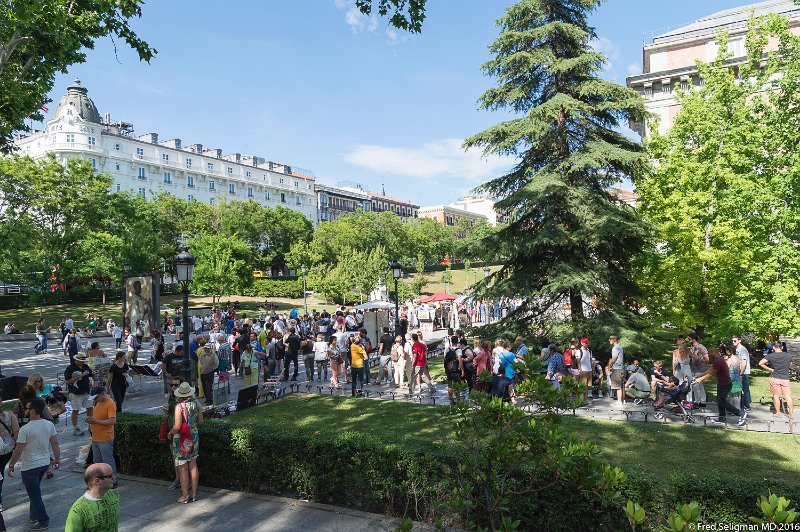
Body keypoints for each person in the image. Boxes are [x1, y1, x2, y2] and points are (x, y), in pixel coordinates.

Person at [7, 398, 60, 531]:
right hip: (43, 464)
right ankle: (33, 516)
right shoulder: (49, 424)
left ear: (34, 411)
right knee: (34, 491)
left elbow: (18, 450)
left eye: (28, 408)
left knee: (35, 495)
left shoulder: (25, 429)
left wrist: (11, 464)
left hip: (30, 466)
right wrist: (57, 459)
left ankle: (43, 521)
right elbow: (55, 443)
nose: (26, 410)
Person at [168, 382, 203, 504]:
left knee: (182, 467)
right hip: (194, 436)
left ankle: (185, 495)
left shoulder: (179, 407)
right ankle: (194, 494)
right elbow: (200, 421)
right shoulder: (197, 404)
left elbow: (177, 426)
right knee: (193, 464)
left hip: (181, 438)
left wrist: (170, 433)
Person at [694, 347, 746, 426]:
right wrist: (699, 376)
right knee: (720, 401)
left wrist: (700, 379)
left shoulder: (719, 361)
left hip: (725, 384)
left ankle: (740, 413)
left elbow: (711, 373)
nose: (709, 355)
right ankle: (721, 418)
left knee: (721, 401)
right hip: (721, 384)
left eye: (709, 353)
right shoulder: (718, 360)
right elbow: (710, 370)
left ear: (714, 353)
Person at [64, 463, 120, 532]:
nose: (114, 477)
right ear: (97, 481)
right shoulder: (78, 511)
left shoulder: (114, 495)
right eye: (110, 476)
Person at [86, 386, 117, 488]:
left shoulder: (110, 403)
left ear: (103, 393)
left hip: (105, 438)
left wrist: (95, 421)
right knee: (97, 461)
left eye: (96, 397)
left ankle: (113, 480)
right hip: (96, 437)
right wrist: (91, 421)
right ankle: (99, 481)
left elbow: (112, 421)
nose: (95, 399)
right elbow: (98, 417)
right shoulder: (98, 402)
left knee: (108, 461)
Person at [759, 340, 794, 419]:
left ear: (773, 347)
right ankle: (791, 413)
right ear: (781, 347)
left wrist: (769, 369)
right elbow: (790, 364)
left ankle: (778, 412)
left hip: (775, 377)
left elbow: (760, 363)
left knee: (776, 396)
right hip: (785, 378)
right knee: (788, 396)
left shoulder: (770, 356)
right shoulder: (788, 355)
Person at [65, 354, 94, 436]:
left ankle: (90, 425)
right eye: (81, 361)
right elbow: (68, 381)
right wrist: (81, 375)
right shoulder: (70, 368)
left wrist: (93, 374)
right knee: (76, 410)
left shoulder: (85, 366)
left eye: (83, 361)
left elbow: (90, 374)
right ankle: (75, 427)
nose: (82, 363)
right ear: (76, 360)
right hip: (75, 392)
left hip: (86, 391)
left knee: (90, 407)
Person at [0, 399, 19, 512]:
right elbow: (16, 431)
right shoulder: (10, 414)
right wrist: (16, 443)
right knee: (1, 470)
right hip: (7, 449)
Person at [688, 333, 709, 406]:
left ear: (694, 339)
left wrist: (703, 364)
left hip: (700, 369)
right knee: (700, 385)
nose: (688, 340)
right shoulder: (692, 348)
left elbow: (707, 359)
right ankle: (703, 401)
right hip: (694, 368)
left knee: (695, 385)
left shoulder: (701, 347)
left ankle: (697, 402)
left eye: (689, 339)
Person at [733, 335, 752, 413]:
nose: (733, 342)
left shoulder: (743, 349)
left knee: (745, 389)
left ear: (739, 340)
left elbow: (744, 362)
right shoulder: (737, 349)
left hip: (743, 372)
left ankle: (747, 406)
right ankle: (740, 404)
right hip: (738, 371)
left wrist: (741, 373)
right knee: (739, 389)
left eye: (735, 341)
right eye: (732, 341)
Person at [607, 335, 625, 404]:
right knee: (621, 385)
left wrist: (609, 365)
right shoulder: (620, 347)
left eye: (610, 339)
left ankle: (619, 402)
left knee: (617, 387)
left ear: (614, 339)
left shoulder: (615, 348)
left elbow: (614, 359)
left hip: (617, 369)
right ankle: (623, 400)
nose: (609, 340)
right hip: (621, 368)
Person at [349, 332, 367, 396]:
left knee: (353, 380)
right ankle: (359, 393)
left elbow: (353, 342)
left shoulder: (352, 346)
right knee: (360, 380)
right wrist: (362, 347)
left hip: (353, 365)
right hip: (359, 366)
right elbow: (366, 357)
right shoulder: (359, 348)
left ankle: (353, 393)